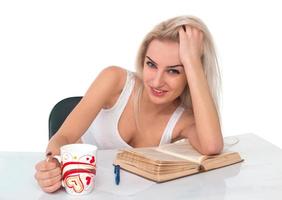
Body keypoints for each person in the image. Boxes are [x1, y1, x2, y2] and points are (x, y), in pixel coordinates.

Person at [34, 15, 223, 193]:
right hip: (83, 191)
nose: (157, 81)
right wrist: (52, 165)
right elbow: (63, 137)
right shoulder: (115, 80)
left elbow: (212, 146)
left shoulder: (184, 119)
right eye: (151, 65)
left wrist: (192, 62)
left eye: (173, 71)